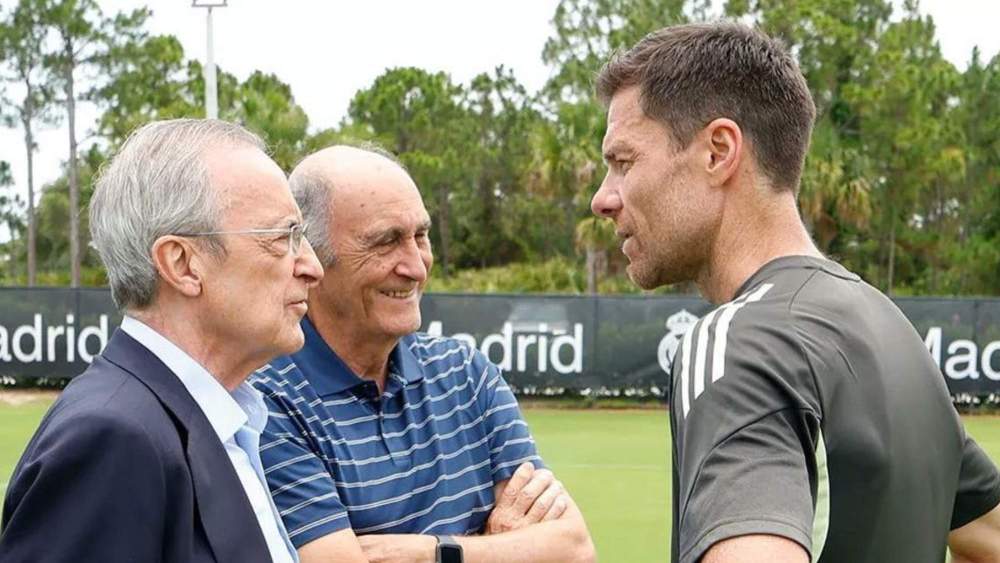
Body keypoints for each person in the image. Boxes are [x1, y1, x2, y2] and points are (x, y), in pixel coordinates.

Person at [590, 22, 1000, 563]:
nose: (603, 199)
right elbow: (988, 535)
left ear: (718, 151)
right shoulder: (891, 328)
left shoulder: (740, 339)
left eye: (623, 162)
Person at [252, 144, 596, 563]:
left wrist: (428, 553)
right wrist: (503, 546)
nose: (416, 266)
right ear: (310, 257)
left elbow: (574, 549)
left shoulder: (467, 373)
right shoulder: (265, 402)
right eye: (386, 242)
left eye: (420, 236)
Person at [0, 119, 324, 562]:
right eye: (282, 237)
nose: (311, 266)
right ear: (183, 264)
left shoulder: (201, 419)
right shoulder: (113, 439)